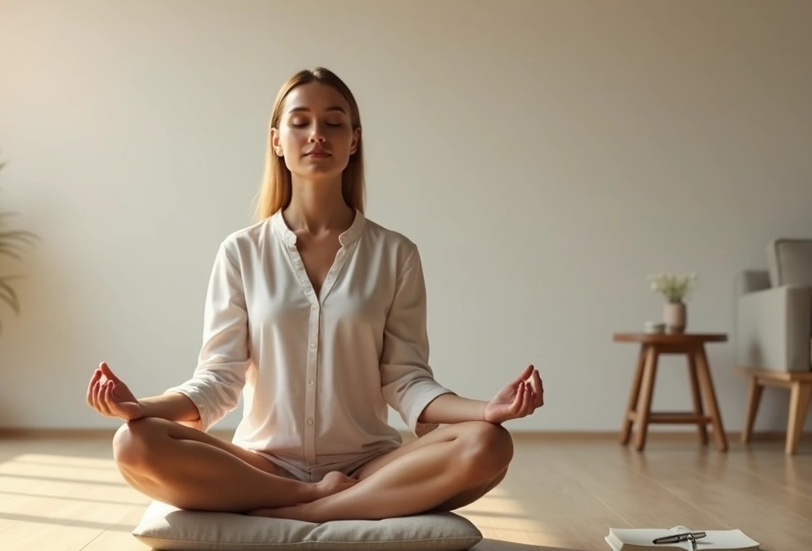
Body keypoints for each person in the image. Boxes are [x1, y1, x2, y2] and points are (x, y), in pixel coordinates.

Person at [86, 67, 544, 523]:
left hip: (370, 466)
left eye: (333, 122)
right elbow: (219, 379)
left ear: (355, 140)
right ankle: (309, 497)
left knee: (489, 442)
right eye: (300, 121)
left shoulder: (395, 253)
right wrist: (138, 407)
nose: (316, 135)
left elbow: (407, 381)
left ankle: (306, 511)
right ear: (276, 140)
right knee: (134, 441)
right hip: (264, 463)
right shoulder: (241, 252)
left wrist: (487, 409)